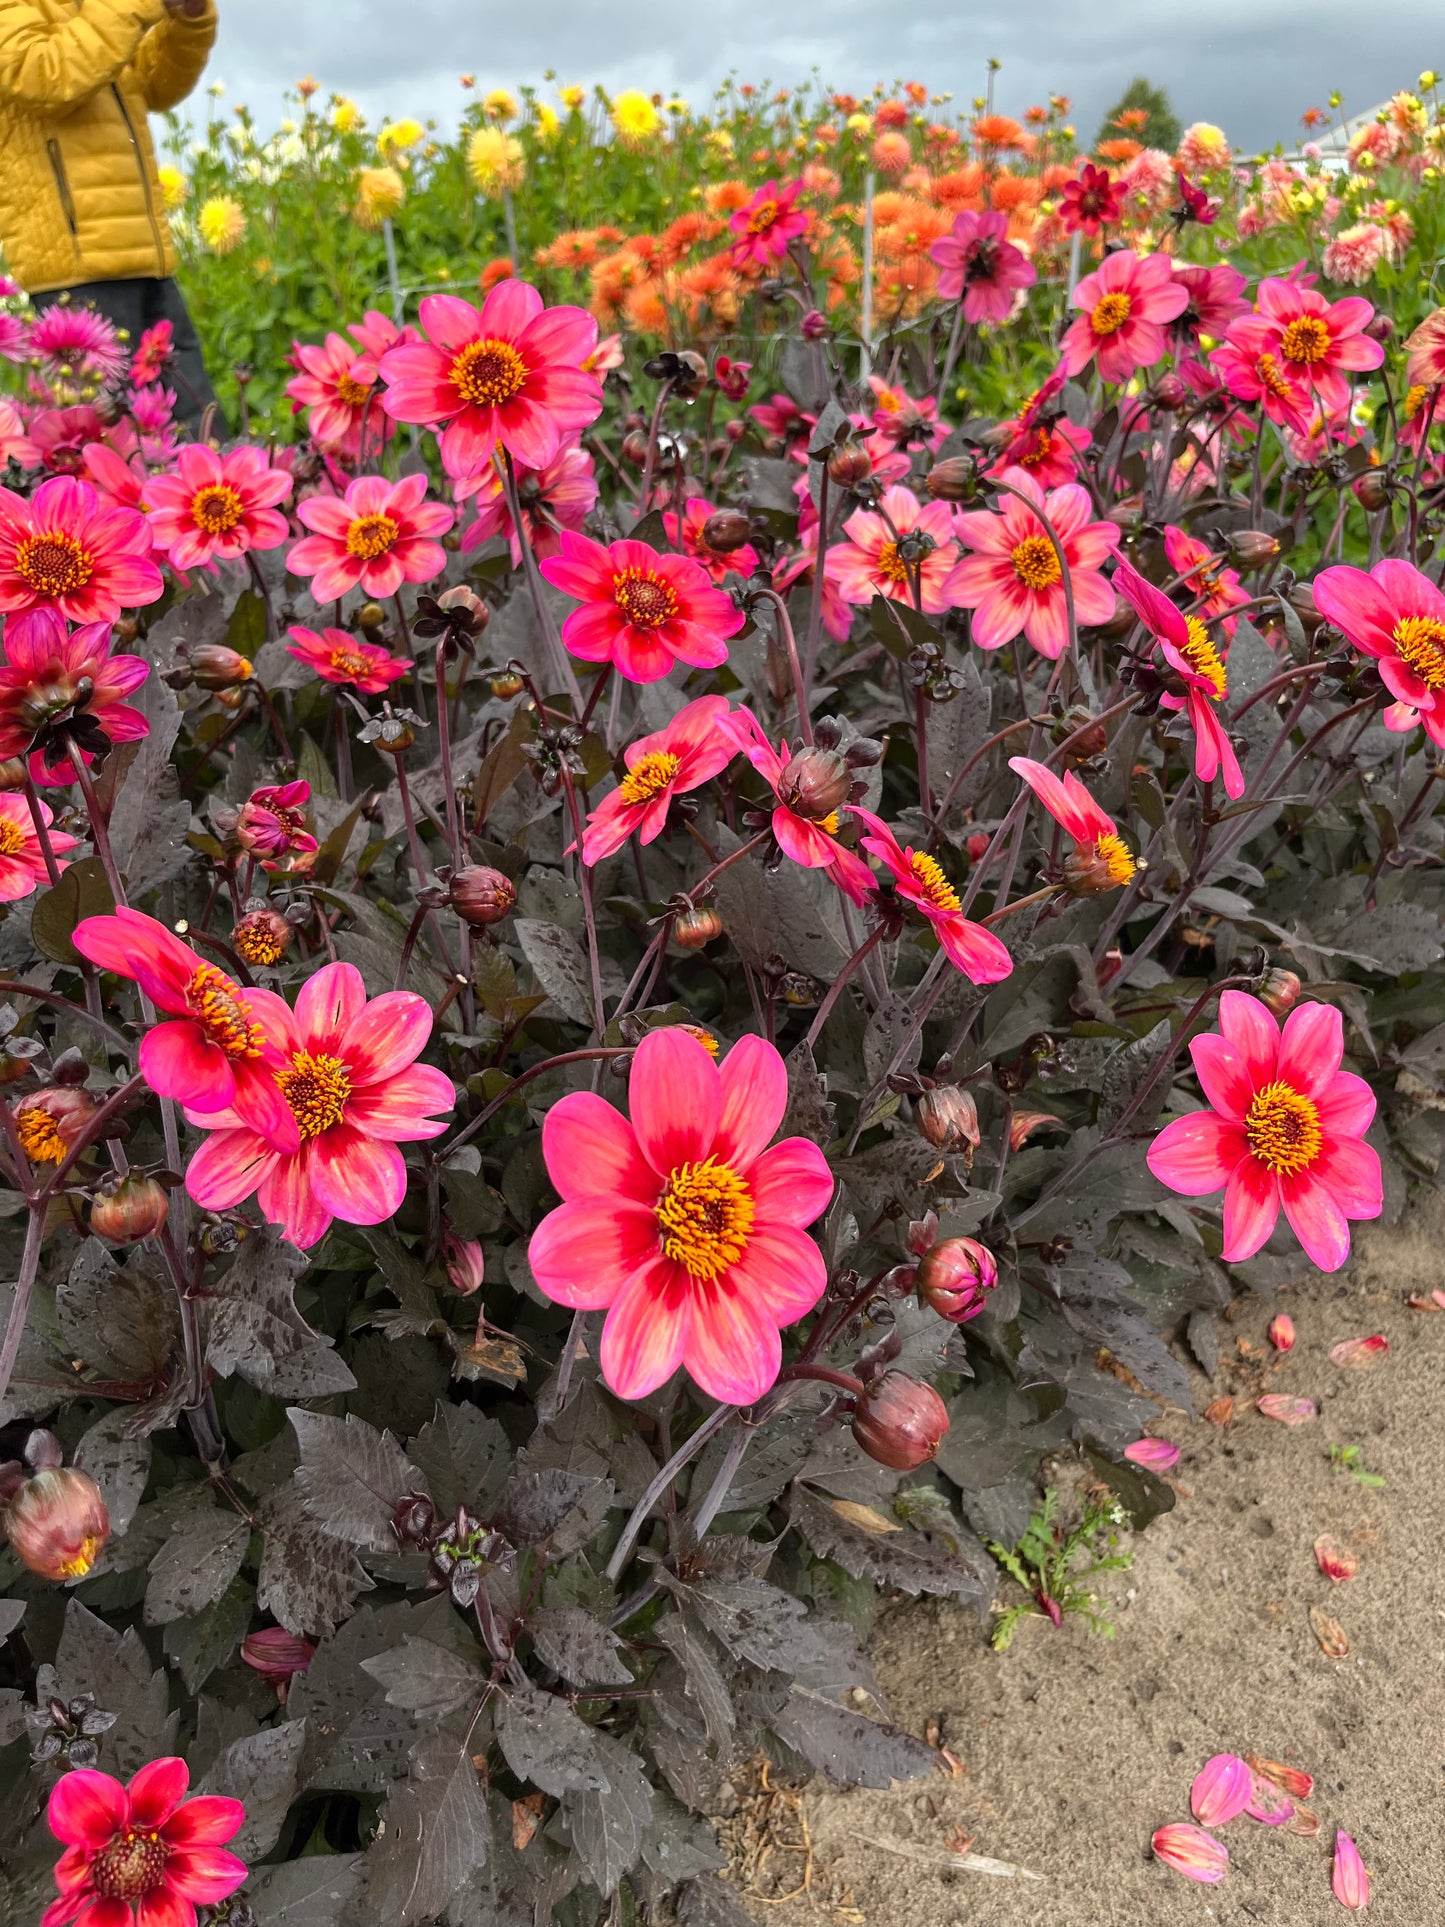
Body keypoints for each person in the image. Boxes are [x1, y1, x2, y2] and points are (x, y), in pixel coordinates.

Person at [0, 0, 221, 428]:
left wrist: (187, 20)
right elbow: (50, 77)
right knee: (116, 446)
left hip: (145, 258)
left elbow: (156, 85)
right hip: (78, 271)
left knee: (198, 431)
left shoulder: (93, 8)